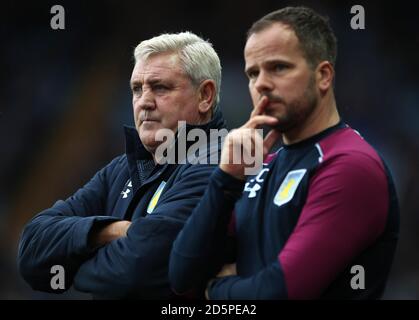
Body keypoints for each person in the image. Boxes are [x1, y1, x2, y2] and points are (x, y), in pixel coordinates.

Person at [169, 7, 400, 299]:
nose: (261, 83)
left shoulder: (350, 166)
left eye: (278, 67)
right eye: (253, 73)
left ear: (324, 76)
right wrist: (224, 180)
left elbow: (279, 293)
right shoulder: (257, 168)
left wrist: (214, 289)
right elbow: (181, 275)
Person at [17, 31, 226, 299]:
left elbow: (137, 272)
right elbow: (32, 248)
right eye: (137, 89)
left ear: (205, 96)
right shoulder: (122, 169)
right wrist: (109, 231)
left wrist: (76, 266)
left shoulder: (219, 163)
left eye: (160, 87)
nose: (144, 102)